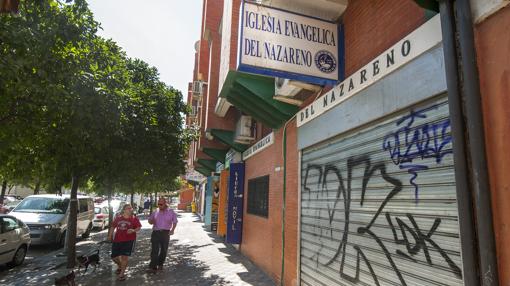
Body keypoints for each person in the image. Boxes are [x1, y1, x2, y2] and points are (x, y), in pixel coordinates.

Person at [108, 204, 142, 281]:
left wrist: (133, 230)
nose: (130, 209)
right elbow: (113, 226)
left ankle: (122, 274)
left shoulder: (134, 219)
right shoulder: (118, 218)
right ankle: (120, 266)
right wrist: (110, 236)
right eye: (128, 208)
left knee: (124, 257)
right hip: (117, 240)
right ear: (124, 210)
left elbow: (139, 227)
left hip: (129, 241)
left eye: (131, 208)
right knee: (114, 257)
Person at [147, 197, 178, 273]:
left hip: (165, 233)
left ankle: (160, 263)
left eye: (161, 204)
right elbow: (150, 221)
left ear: (165, 204)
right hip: (156, 232)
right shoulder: (155, 211)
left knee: (164, 250)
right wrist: (151, 221)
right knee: (154, 250)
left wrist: (172, 230)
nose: (159, 206)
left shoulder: (171, 212)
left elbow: (175, 221)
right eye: (158, 204)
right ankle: (153, 266)